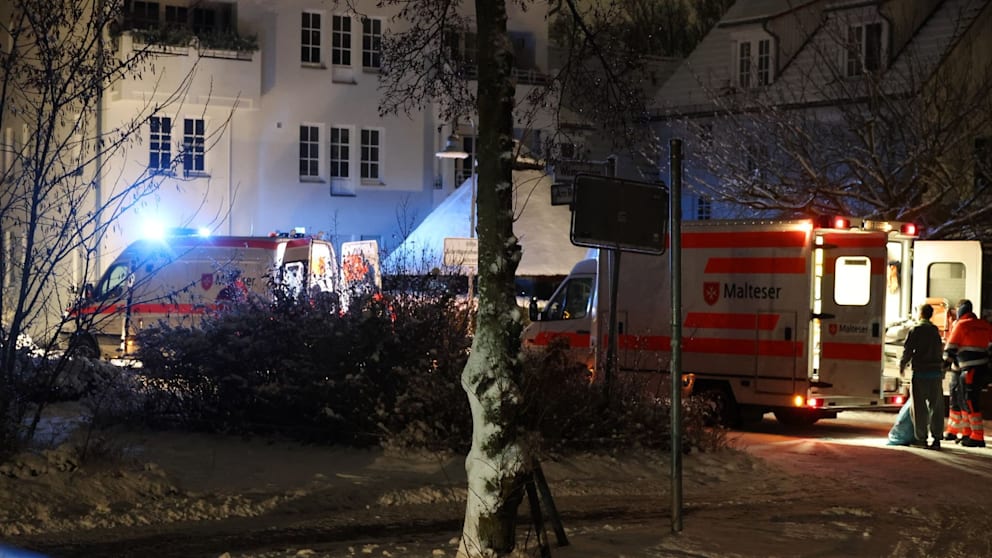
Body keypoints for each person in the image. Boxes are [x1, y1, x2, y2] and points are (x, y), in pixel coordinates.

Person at [943, 299, 992, 447]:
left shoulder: (961, 325)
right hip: (982, 370)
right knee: (968, 400)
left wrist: (943, 367)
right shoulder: (985, 325)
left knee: (969, 401)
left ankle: (976, 436)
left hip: (968, 370)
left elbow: (950, 350)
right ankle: (967, 433)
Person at [899, 304, 945, 449]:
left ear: (920, 313)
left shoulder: (916, 330)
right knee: (936, 407)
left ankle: (921, 439)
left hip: (920, 373)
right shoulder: (935, 330)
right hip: (935, 373)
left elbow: (908, 350)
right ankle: (937, 439)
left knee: (919, 408)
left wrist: (902, 365)